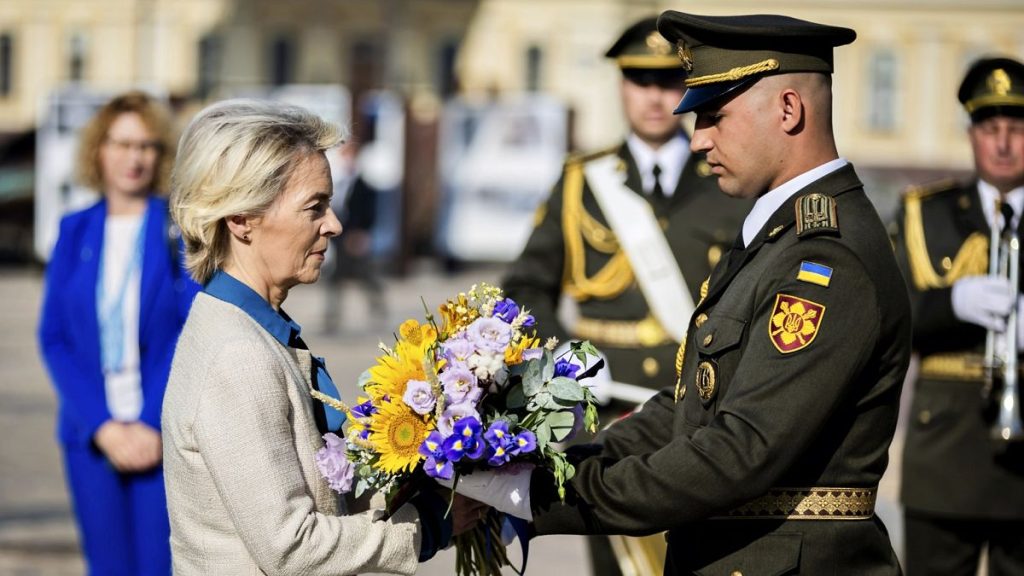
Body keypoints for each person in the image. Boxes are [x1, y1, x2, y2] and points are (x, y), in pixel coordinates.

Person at [447, 11, 912, 575]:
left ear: (789, 110)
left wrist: (542, 497)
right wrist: (535, 470)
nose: (697, 139)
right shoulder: (777, 233)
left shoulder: (825, 256)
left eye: (715, 116)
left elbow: (739, 449)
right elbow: (695, 406)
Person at [163, 99, 475, 575]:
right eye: (315, 207)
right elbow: (291, 546)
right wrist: (427, 527)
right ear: (241, 218)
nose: (334, 224)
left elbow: (318, 492)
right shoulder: (238, 355)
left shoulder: (251, 327)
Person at [503, 16, 749, 411]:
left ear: (688, 86)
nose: (654, 97)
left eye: (668, 81)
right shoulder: (580, 182)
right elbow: (524, 287)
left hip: (697, 407)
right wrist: (565, 355)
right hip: (599, 409)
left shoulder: (730, 179)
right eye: (640, 80)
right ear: (621, 85)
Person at [37, 90, 199, 576]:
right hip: (91, 436)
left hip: (160, 435)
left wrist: (149, 423)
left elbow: (190, 331)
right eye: (123, 144)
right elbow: (54, 337)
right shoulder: (74, 230)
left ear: (160, 155)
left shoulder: (177, 230)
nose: (135, 157)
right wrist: (103, 425)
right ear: (99, 150)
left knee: (158, 566)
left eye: (147, 146)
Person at [893, 56, 1024, 576]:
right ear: (972, 134)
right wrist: (952, 304)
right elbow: (889, 316)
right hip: (946, 452)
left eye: (1016, 129)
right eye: (990, 128)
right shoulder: (926, 211)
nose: (1003, 143)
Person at [322, 140, 387, 334]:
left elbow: (369, 213)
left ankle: (378, 310)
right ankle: (332, 319)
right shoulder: (337, 182)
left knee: (365, 277)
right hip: (341, 239)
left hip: (355, 238)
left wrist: (361, 234)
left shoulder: (364, 185)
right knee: (335, 279)